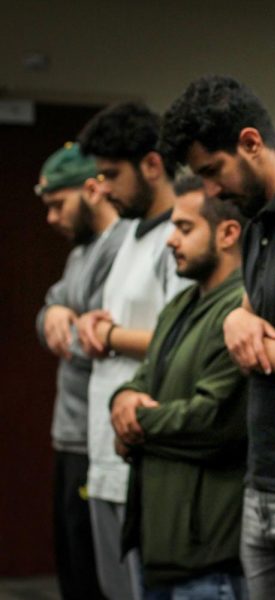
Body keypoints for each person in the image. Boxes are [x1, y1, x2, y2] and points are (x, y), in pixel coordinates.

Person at [160, 75, 275, 599]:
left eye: (213, 172)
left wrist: (251, 342)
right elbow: (248, 314)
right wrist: (233, 321)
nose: (211, 191)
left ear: (250, 142)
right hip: (259, 476)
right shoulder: (256, 220)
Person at [110, 176, 248, 599]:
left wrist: (135, 419)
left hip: (208, 552)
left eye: (185, 228)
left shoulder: (240, 309)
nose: (170, 240)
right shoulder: (182, 304)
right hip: (161, 544)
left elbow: (214, 422)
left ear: (227, 233)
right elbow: (141, 378)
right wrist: (122, 399)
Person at [76, 101, 189, 600]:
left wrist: (107, 334)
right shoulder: (123, 233)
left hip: (145, 445)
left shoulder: (179, 236)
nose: (103, 188)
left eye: (111, 174)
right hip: (103, 445)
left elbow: (180, 336)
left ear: (152, 164)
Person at [35, 142, 127, 600]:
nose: (51, 218)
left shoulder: (122, 247)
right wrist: (54, 311)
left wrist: (64, 320)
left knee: (97, 581)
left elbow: (93, 337)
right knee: (73, 574)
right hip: (69, 435)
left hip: (98, 438)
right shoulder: (80, 254)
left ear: (93, 189)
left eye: (58, 204)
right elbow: (51, 313)